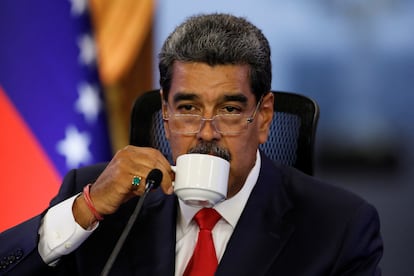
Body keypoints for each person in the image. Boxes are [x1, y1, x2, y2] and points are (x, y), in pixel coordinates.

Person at [0, 13, 383, 275]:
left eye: (230, 109)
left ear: (264, 117)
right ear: (164, 113)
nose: (206, 131)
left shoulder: (339, 226)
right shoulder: (101, 201)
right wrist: (85, 210)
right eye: (187, 107)